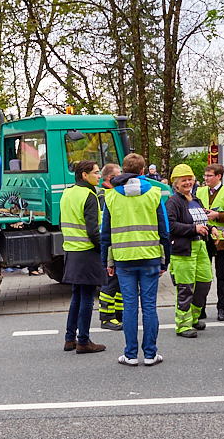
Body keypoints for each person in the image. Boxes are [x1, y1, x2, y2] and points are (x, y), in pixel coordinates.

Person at [102, 153, 170, 367]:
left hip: (124, 259)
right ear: (143, 172)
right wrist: (164, 261)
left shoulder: (111, 197)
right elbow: (164, 231)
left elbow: (106, 235)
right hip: (150, 258)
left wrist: (107, 262)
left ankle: (130, 354)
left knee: (130, 307)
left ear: (123, 171)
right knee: (149, 307)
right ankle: (150, 354)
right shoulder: (155, 194)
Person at [60, 160, 107, 354]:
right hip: (87, 251)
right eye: (95, 173)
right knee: (87, 297)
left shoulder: (67, 193)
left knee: (76, 296)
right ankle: (84, 341)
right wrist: (102, 249)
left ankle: (70, 339)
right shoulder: (89, 195)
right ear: (84, 175)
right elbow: (92, 230)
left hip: (71, 251)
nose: (99, 176)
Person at [166, 164, 214, 338]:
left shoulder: (195, 199)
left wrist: (211, 227)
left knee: (204, 282)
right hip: (182, 250)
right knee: (186, 288)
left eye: (190, 179)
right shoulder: (173, 202)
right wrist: (194, 229)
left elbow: (200, 220)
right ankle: (183, 325)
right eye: (183, 180)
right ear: (176, 184)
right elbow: (170, 226)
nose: (188, 183)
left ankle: (194, 318)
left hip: (200, 247)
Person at [196, 164, 224, 322]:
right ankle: (201, 308)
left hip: (222, 241)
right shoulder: (199, 191)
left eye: (209, 176)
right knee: (202, 276)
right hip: (203, 238)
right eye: (205, 176)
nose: (206, 179)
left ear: (219, 176)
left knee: (221, 275)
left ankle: (221, 308)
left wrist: (218, 215)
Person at [97, 163, 124, 330]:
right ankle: (106, 317)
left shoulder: (110, 193)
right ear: (111, 178)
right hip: (109, 244)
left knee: (119, 282)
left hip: (117, 243)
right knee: (110, 281)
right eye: (119, 174)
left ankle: (119, 315)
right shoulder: (105, 196)